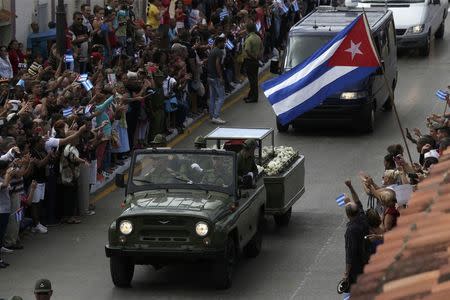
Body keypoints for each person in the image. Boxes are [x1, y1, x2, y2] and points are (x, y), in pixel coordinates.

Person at [342, 179, 370, 292]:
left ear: (348, 215)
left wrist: (346, 273)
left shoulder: (351, 230)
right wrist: (350, 187)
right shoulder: (363, 218)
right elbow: (357, 201)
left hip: (357, 267)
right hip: (367, 259)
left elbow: (350, 253)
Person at [207, 37, 227, 125]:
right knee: (222, 97)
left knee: (212, 97)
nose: (224, 44)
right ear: (219, 43)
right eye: (223, 43)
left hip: (210, 77)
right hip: (216, 78)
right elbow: (217, 65)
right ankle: (216, 116)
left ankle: (212, 116)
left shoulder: (212, 50)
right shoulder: (219, 51)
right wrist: (221, 77)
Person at [243, 23, 262, 103]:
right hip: (256, 60)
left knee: (252, 80)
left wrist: (253, 58)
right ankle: (251, 95)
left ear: (248, 29)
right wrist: (259, 57)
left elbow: (247, 50)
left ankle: (254, 97)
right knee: (254, 78)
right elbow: (262, 47)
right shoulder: (258, 37)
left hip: (250, 61)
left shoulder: (249, 39)